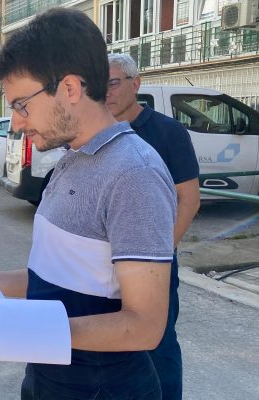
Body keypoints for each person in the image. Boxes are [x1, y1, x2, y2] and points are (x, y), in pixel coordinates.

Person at [0, 8, 176, 399]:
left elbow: (145, 326)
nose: (16, 123)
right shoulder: (70, 159)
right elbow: (58, 281)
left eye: (21, 105)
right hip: (49, 375)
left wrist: (30, 330)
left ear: (69, 88)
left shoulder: (134, 174)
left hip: (101, 387)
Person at [106, 53, 200, 400]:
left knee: (158, 344)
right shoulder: (100, 133)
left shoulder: (168, 132)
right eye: (99, 85)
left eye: (113, 83)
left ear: (136, 84)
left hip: (154, 263)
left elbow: (189, 199)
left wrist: (159, 254)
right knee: (115, 341)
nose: (106, 92)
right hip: (106, 262)